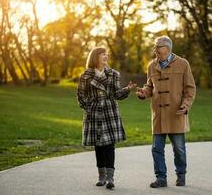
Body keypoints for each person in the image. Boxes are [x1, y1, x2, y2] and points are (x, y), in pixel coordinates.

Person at [136, 36, 196, 188]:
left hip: (177, 113)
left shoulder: (183, 64)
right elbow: (150, 87)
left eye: (158, 47)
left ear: (168, 48)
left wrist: (186, 105)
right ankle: (161, 178)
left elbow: (190, 88)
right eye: (154, 47)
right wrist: (144, 93)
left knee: (179, 149)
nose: (155, 50)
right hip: (158, 114)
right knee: (156, 148)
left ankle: (181, 175)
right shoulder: (151, 66)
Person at [77, 47, 136, 189]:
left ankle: (110, 178)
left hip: (110, 113)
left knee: (109, 146)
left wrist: (127, 90)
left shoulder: (113, 74)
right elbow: (80, 96)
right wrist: (89, 107)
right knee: (99, 147)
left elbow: (116, 94)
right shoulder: (85, 76)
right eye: (103, 54)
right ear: (95, 57)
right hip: (94, 114)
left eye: (106, 54)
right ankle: (101, 176)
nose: (106, 56)